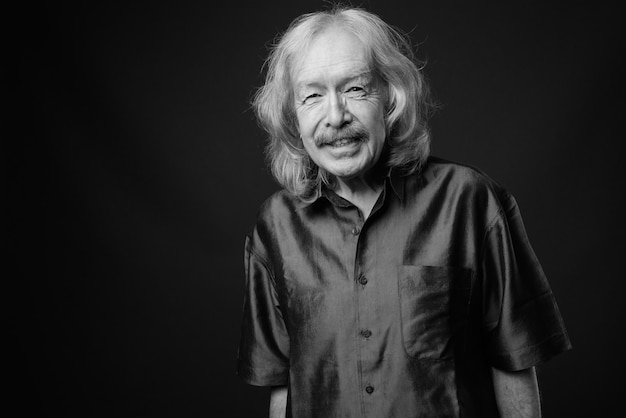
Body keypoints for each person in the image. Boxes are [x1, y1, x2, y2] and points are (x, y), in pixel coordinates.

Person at [237, 5, 571, 417]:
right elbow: (282, 387)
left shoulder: (470, 202)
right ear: (293, 116)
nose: (336, 115)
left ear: (391, 98)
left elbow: (515, 365)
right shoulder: (274, 227)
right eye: (312, 96)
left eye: (356, 89)